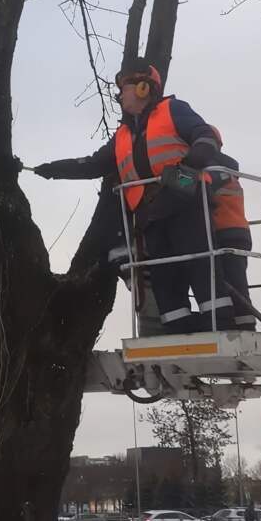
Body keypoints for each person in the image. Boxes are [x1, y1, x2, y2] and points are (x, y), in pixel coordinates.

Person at [34, 59, 234, 334]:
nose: (119, 95)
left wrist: (186, 168)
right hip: (151, 213)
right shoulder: (124, 134)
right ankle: (179, 329)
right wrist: (52, 170)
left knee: (201, 266)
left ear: (143, 87)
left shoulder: (173, 110)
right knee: (165, 278)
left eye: (124, 88)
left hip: (185, 201)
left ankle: (220, 326)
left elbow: (204, 138)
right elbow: (94, 164)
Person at [210, 128, 256, 331]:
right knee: (234, 282)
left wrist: (172, 179)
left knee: (232, 284)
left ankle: (244, 327)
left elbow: (195, 187)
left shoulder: (215, 169)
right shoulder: (227, 168)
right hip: (236, 231)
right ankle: (240, 323)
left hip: (225, 232)